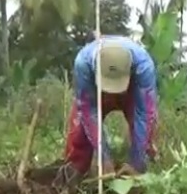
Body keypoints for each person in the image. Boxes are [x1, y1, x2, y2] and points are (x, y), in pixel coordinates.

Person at [63, 35, 158, 177]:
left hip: (131, 90)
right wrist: (104, 158)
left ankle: (142, 169)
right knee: (80, 127)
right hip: (96, 91)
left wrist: (136, 163)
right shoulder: (83, 64)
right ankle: (74, 172)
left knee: (147, 127)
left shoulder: (144, 66)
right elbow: (89, 113)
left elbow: (144, 114)